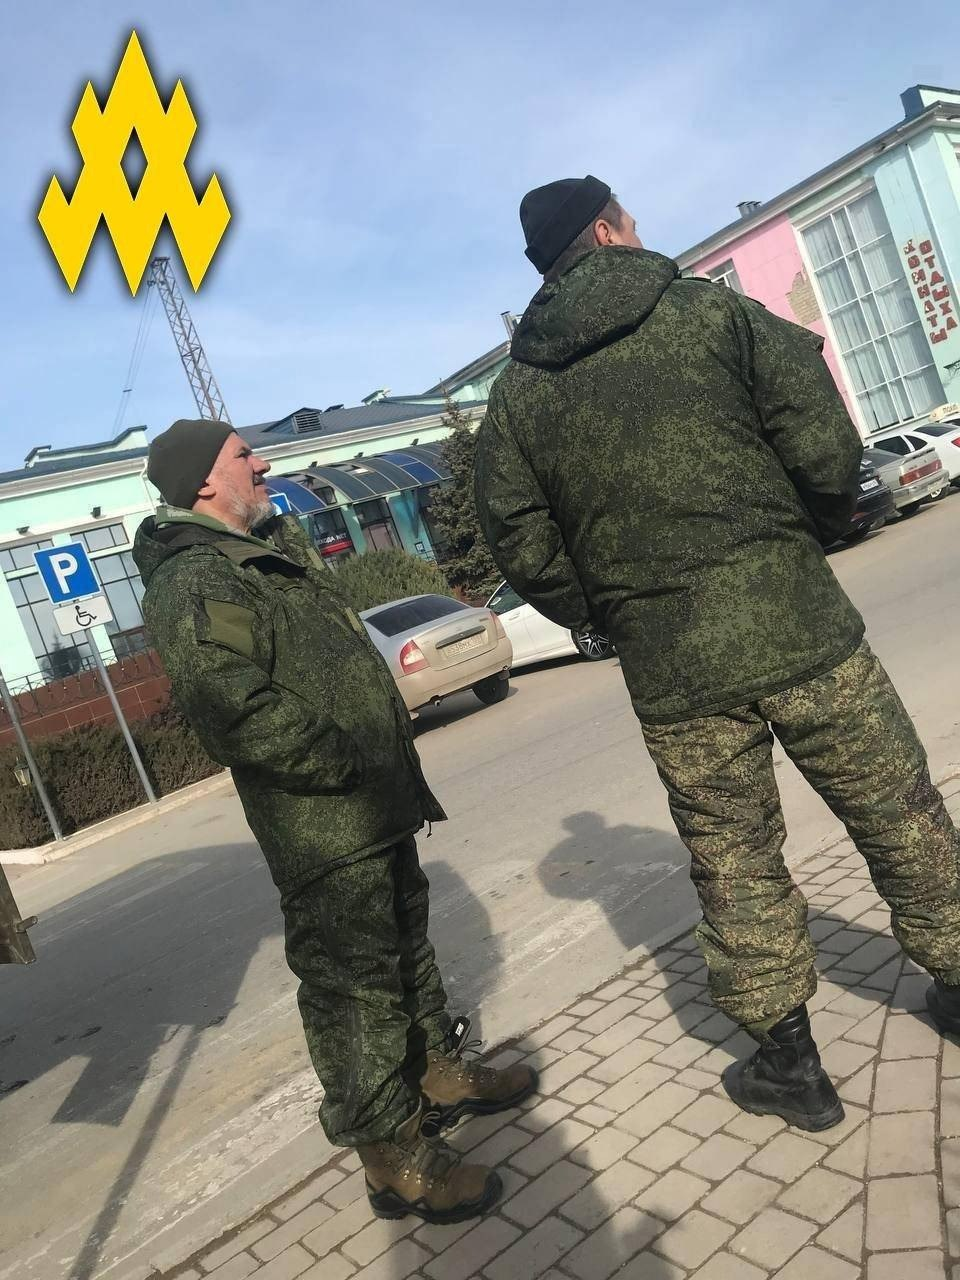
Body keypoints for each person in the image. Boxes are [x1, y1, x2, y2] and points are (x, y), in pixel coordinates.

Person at [474, 176, 960, 1132]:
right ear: (605, 231)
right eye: (629, 218)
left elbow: (521, 544)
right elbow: (820, 437)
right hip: (802, 629)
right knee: (899, 811)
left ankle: (791, 1066)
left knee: (734, 860)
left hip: (676, 675)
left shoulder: (518, 397)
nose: (639, 228)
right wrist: (802, 537)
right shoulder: (711, 314)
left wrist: (615, 612)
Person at [133, 418, 536, 1222]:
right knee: (355, 995)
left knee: (406, 956)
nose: (262, 463)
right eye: (243, 455)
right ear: (203, 481)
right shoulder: (196, 580)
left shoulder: (259, 556)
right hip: (325, 824)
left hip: (373, 807)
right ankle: (392, 1158)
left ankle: (436, 1075)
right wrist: (340, 763)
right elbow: (231, 706)